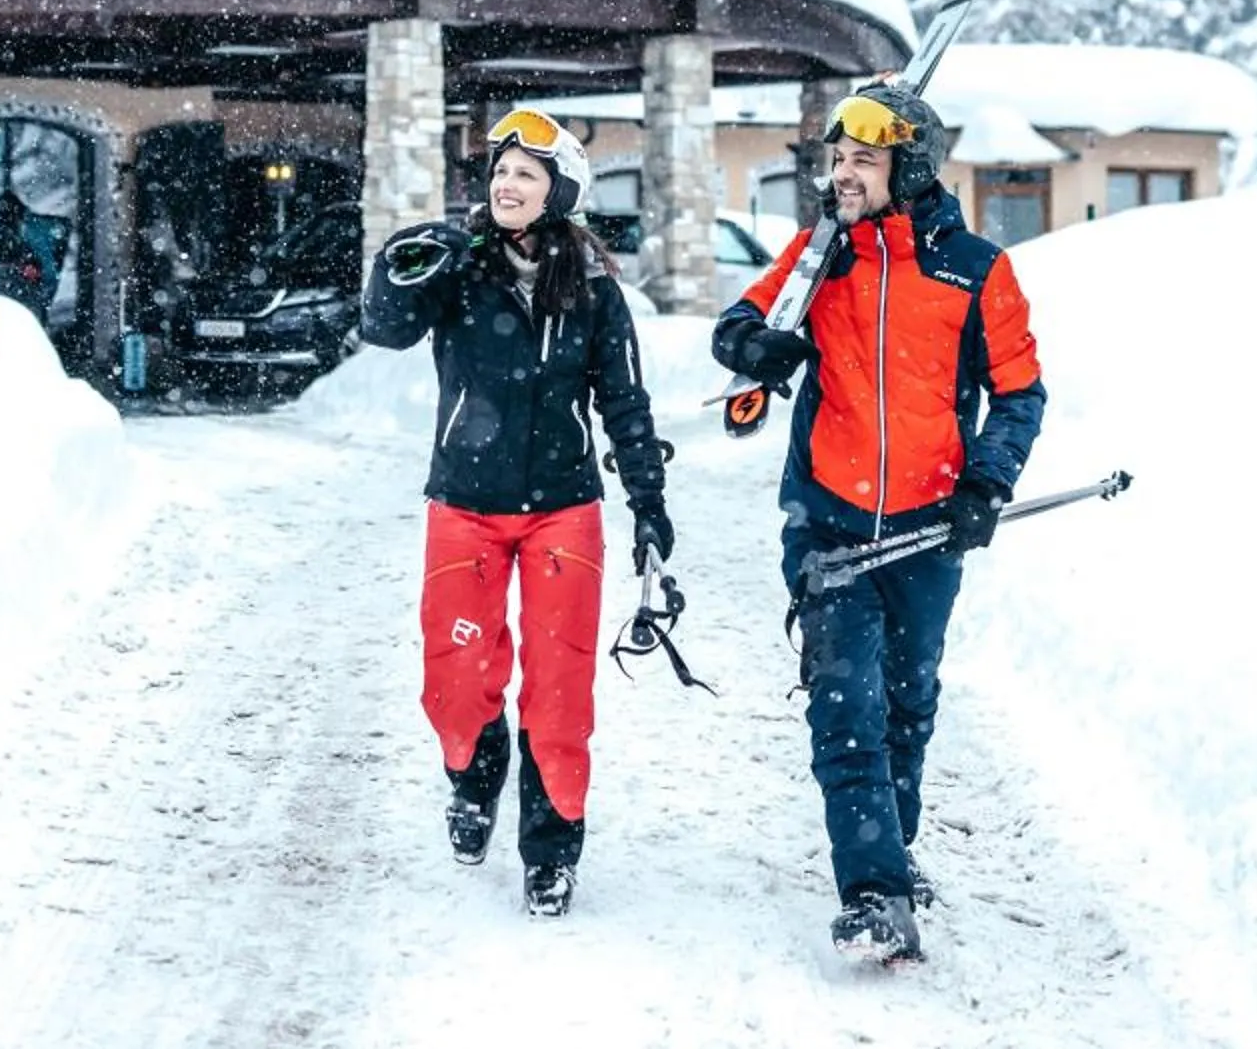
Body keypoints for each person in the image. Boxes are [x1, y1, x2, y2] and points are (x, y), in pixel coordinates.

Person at [710, 77, 1043, 965]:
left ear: (911, 167)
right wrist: (756, 347)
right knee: (845, 708)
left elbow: (1019, 393)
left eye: (864, 159)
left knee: (905, 703)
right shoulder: (821, 255)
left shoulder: (975, 270)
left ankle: (894, 847)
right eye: (838, 158)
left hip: (930, 528)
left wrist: (987, 484)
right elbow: (737, 324)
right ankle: (874, 894)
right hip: (830, 521)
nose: (844, 174)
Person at [361, 107, 674, 919]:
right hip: (463, 505)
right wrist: (400, 259)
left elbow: (626, 404)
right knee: (456, 681)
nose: (506, 183)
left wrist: (648, 504)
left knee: (560, 693)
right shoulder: (460, 269)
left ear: (558, 190)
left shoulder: (595, 291)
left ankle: (551, 850)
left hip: (563, 510)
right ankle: (474, 778)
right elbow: (383, 328)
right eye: (500, 171)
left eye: (525, 173)